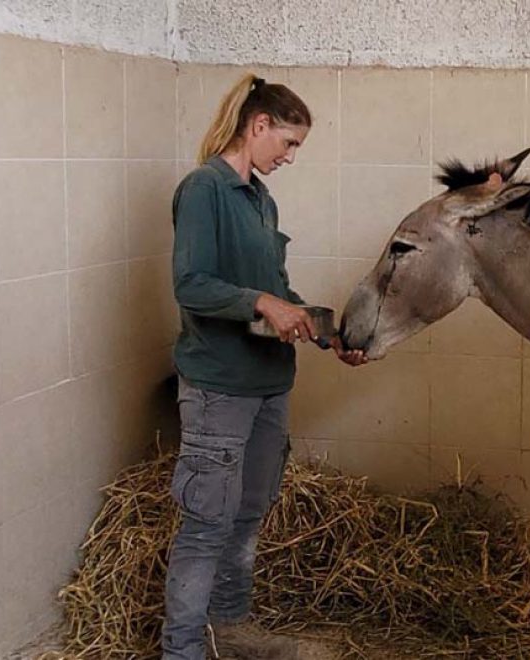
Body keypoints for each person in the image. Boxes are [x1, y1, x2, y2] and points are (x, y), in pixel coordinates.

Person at [163, 73, 367, 660]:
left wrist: (330, 336)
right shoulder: (204, 189)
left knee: (247, 515)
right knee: (206, 523)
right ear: (258, 125)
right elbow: (190, 283)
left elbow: (277, 292)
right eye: (289, 142)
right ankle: (182, 650)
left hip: (269, 384)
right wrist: (260, 303)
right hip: (219, 388)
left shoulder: (260, 199)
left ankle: (228, 630)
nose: (291, 157)